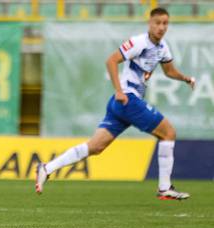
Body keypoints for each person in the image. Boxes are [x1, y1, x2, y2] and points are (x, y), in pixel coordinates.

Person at [36, 7, 195, 200]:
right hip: (128, 99)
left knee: (95, 147)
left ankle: (46, 168)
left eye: (165, 23)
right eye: (158, 23)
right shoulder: (138, 42)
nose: (161, 27)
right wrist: (119, 90)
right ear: (149, 24)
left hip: (121, 104)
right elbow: (111, 60)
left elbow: (169, 71)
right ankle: (164, 188)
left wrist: (185, 78)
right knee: (168, 133)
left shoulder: (162, 47)